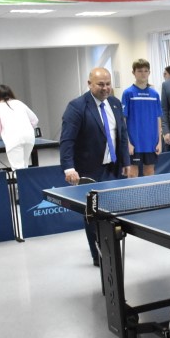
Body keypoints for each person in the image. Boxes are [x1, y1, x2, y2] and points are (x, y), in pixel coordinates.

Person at [60, 67, 132, 266]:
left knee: (111, 211)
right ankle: (98, 255)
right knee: (92, 214)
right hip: (89, 170)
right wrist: (69, 167)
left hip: (112, 168)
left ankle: (110, 248)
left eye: (108, 84)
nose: (105, 88)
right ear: (89, 84)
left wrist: (126, 161)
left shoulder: (115, 104)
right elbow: (67, 140)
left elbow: (122, 134)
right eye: (100, 84)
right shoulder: (76, 107)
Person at [121, 58, 162, 177]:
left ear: (149, 72)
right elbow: (123, 120)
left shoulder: (154, 94)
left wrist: (159, 142)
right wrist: (128, 143)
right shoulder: (128, 93)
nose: (143, 74)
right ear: (133, 73)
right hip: (134, 143)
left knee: (149, 172)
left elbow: (158, 118)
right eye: (139, 71)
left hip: (151, 143)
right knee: (132, 174)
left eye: (145, 71)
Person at [0, 84, 39, 170]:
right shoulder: (19, 103)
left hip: (13, 139)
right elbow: (35, 120)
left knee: (18, 169)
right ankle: (25, 179)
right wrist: (26, 129)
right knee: (24, 165)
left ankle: (20, 179)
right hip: (29, 138)